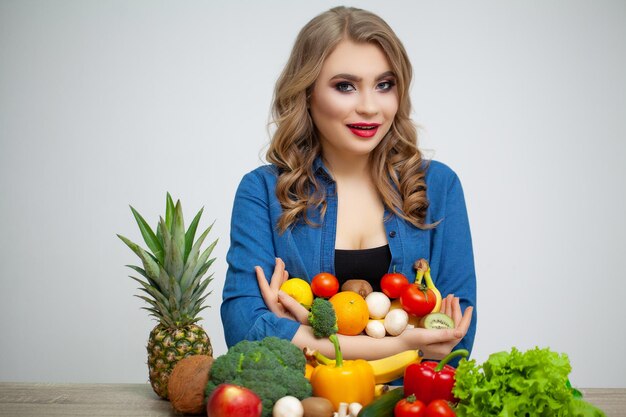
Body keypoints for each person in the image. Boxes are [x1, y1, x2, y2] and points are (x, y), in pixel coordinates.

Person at [221, 6, 476, 362]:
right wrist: (405, 342)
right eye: (345, 86)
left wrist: (300, 333)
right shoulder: (262, 192)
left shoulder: (439, 186)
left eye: (384, 85)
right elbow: (244, 331)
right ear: (307, 93)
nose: (370, 107)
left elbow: (456, 338)